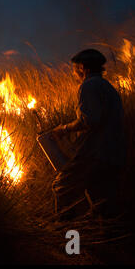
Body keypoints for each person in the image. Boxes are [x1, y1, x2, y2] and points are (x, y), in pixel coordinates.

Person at [51, 49, 126, 220]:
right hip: (114, 152)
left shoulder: (88, 86)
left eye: (75, 68)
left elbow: (90, 120)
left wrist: (64, 129)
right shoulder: (107, 87)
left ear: (82, 67)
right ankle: (107, 239)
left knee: (62, 186)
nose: (74, 72)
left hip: (96, 153)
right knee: (102, 200)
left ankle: (66, 234)